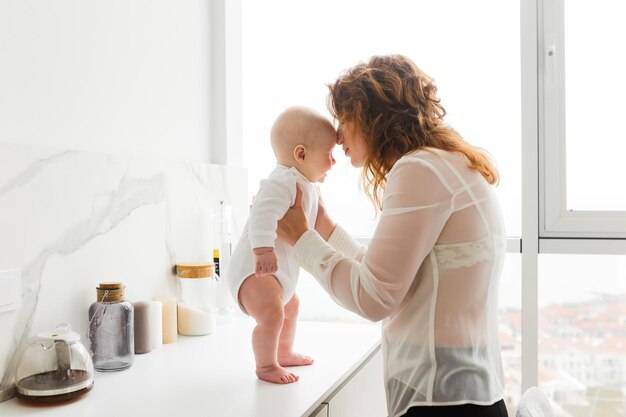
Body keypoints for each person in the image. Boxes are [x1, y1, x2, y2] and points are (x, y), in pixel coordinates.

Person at [276, 55, 509, 417]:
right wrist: (326, 229)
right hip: (463, 394)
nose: (337, 135)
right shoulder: (444, 163)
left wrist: (302, 240)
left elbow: (374, 298)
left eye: (344, 119)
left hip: (441, 401)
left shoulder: (419, 169)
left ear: (373, 116)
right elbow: (386, 277)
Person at [227, 106, 337, 384]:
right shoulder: (282, 182)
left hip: (276, 273)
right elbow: (261, 213)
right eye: (329, 154)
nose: (333, 162)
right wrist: (262, 250)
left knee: (291, 306)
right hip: (254, 270)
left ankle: (283, 351)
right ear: (301, 154)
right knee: (272, 314)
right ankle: (265, 366)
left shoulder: (307, 185)